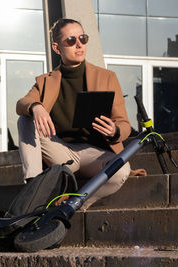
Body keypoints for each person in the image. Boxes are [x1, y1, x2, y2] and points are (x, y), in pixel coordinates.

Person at [16, 18, 131, 210]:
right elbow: (22, 103)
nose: (79, 44)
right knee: (25, 119)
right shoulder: (45, 81)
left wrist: (115, 130)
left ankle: (76, 203)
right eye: (70, 40)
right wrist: (36, 107)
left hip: (96, 154)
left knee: (121, 170)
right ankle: (35, 187)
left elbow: (124, 124)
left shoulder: (107, 77)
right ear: (57, 47)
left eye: (83, 38)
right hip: (60, 151)